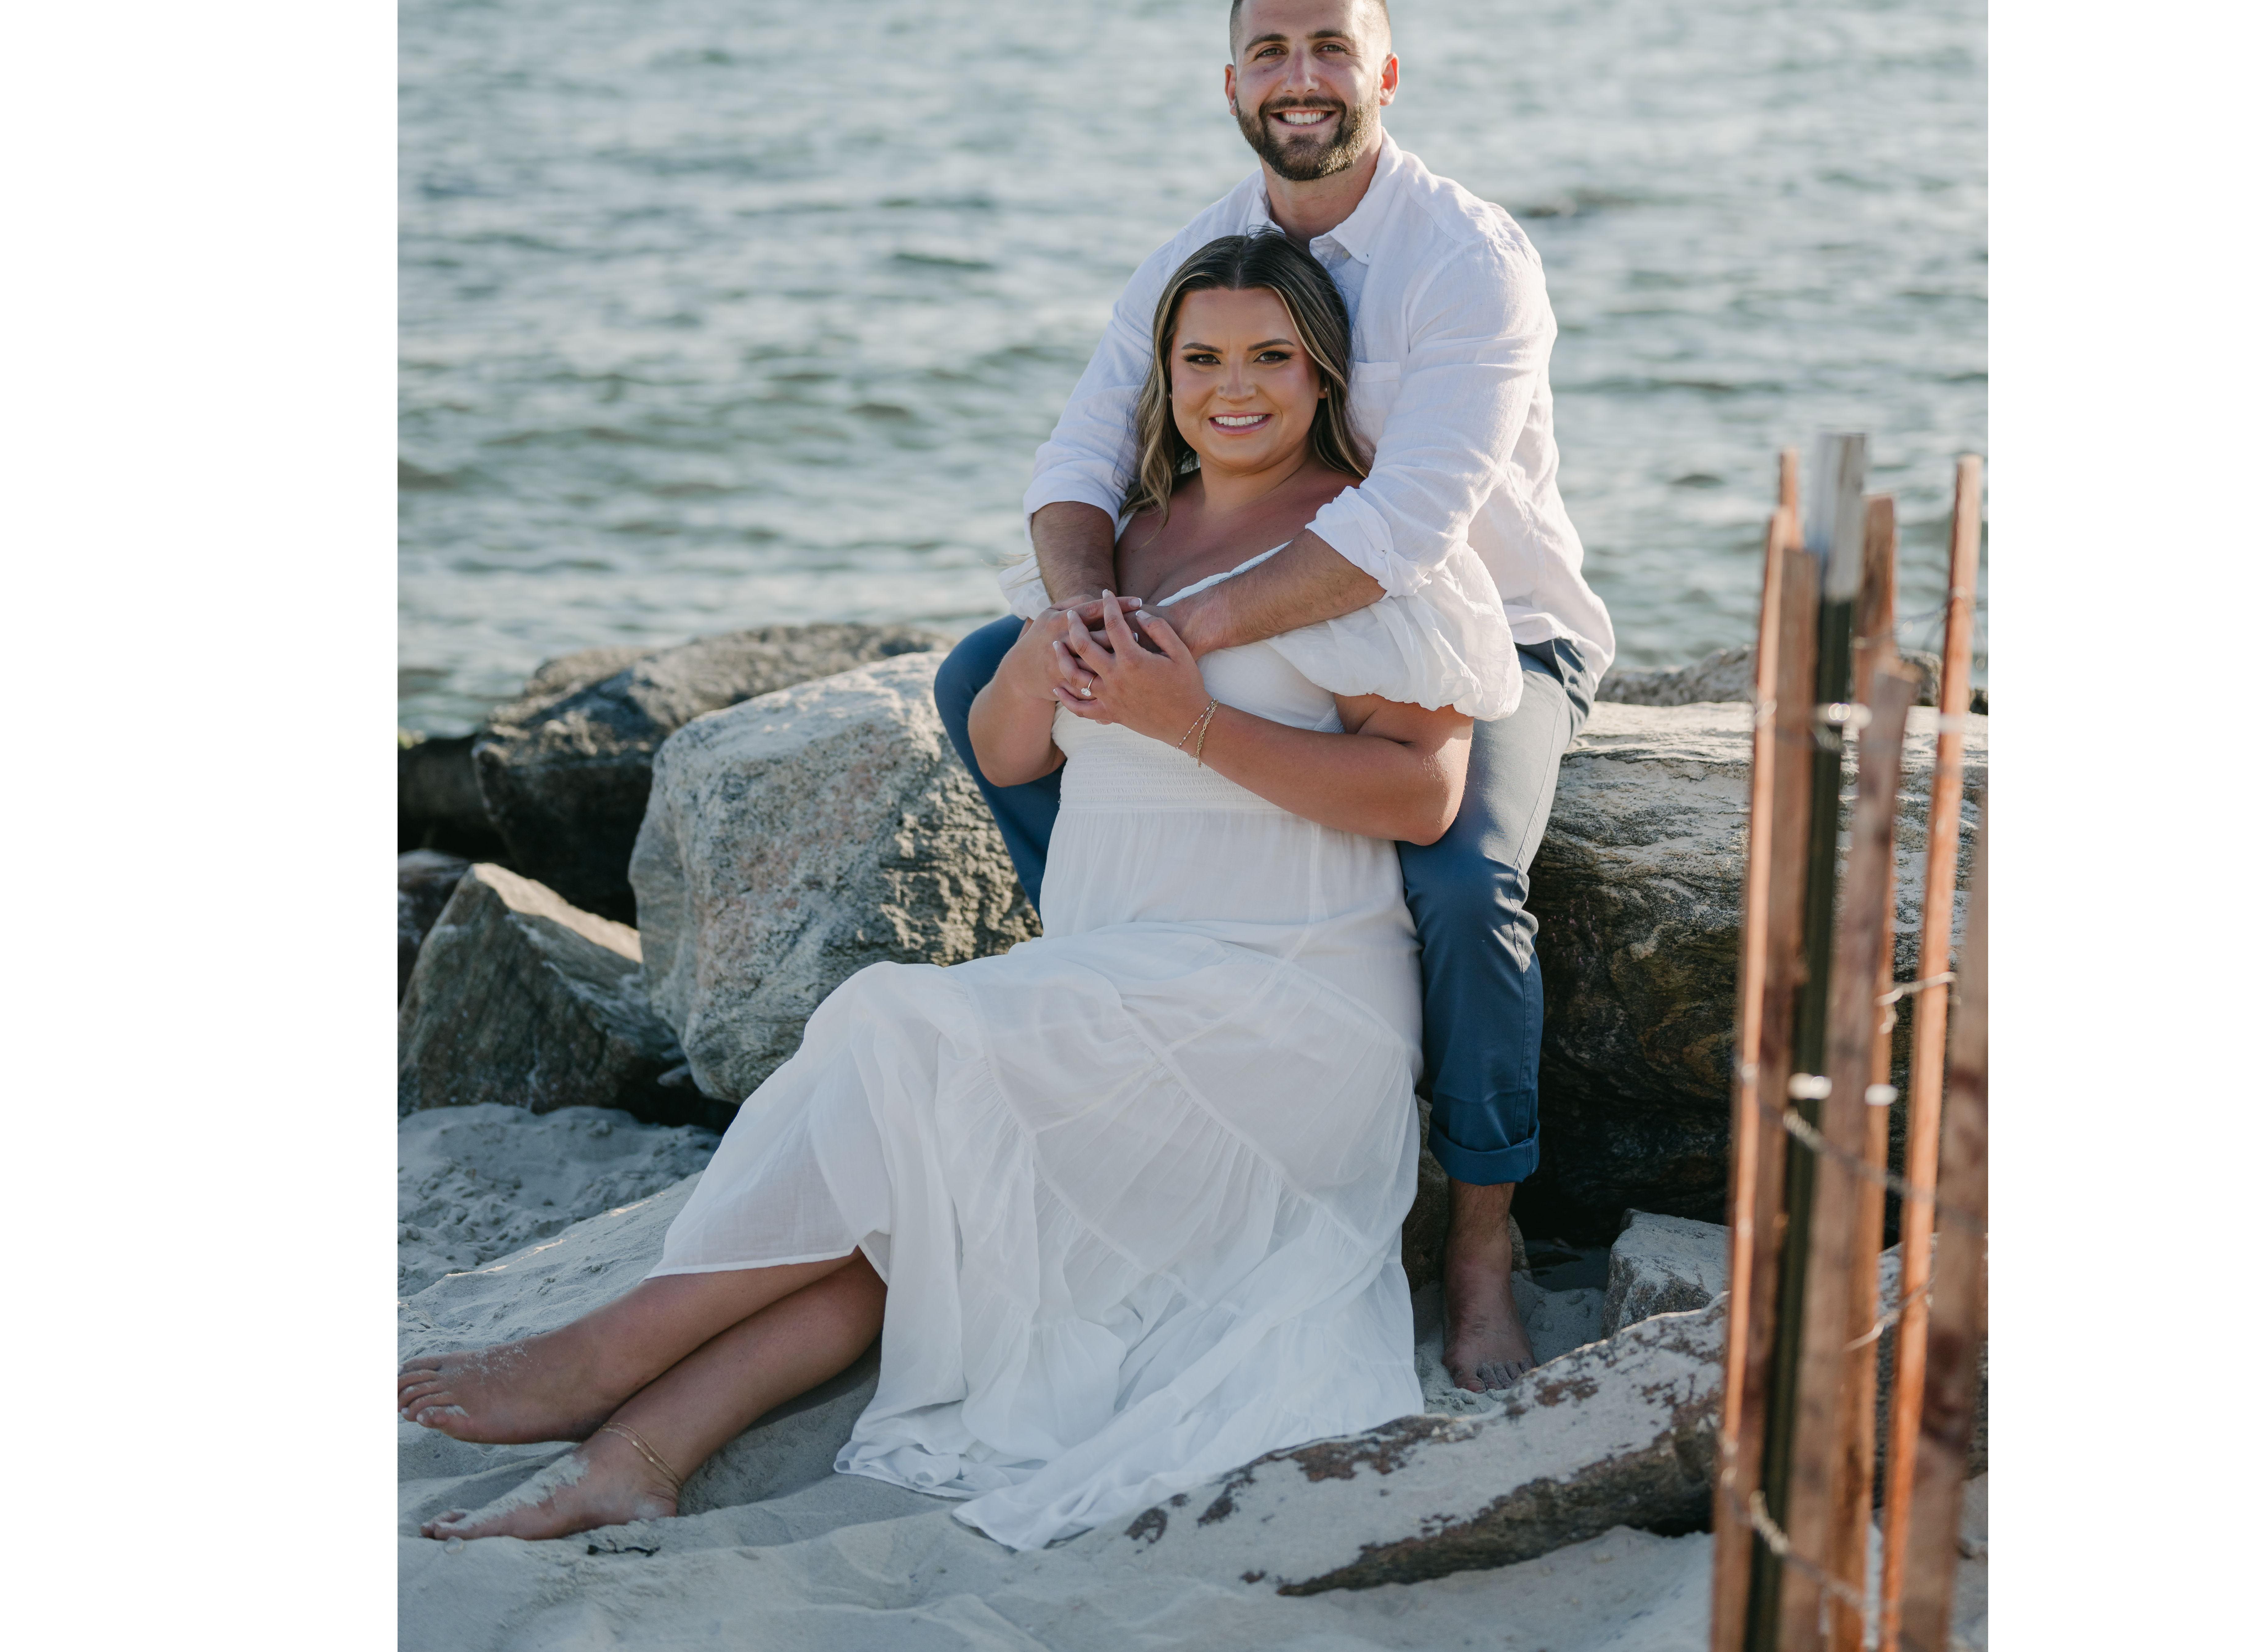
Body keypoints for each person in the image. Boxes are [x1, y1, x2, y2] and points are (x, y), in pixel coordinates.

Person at [399, 233, 1525, 1549]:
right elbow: (1005, 753)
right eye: (1202, 356)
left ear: (1323, 375)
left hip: (1281, 1007)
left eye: (1272, 358)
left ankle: (611, 1351)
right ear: (1159, 379)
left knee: (895, 1036)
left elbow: (1422, 797)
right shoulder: (1122, 545)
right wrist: (1053, 651)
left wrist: (1191, 723)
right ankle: (641, 1450)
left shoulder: (1373, 549)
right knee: (926, 1193)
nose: (1237, 387)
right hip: (1124, 988)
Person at [935, 0, 1613, 1394]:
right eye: (1269, 51)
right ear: (1232, 81)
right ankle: (1130, 984)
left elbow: (1407, 527)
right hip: (1241, 619)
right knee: (977, 679)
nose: (1299, 76)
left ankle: (1483, 1231)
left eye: (1328, 48)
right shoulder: (1200, 244)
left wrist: (1171, 651)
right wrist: (1084, 625)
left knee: (1462, 872)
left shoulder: (1468, 258)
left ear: (1382, 73)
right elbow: (1075, 461)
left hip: (1481, 632)